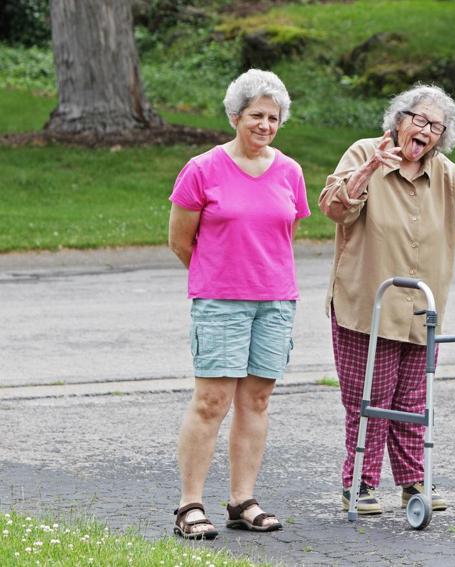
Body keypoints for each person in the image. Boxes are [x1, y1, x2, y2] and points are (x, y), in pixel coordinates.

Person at [319, 84, 455, 515]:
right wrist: (367, 172)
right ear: (399, 120)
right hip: (368, 306)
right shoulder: (366, 151)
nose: (427, 131)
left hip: (422, 309)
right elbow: (333, 206)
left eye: (436, 126)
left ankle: (413, 481)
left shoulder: (444, 172)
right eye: (419, 119)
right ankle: (359, 484)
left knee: (413, 400)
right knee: (371, 399)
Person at [167, 69, 310, 539]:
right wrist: (218, 275)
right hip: (221, 302)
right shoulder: (202, 168)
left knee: (257, 401)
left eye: (273, 117)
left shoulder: (290, 170)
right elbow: (180, 240)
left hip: (275, 301)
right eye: (255, 115)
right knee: (211, 401)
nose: (264, 125)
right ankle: (189, 505)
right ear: (235, 116)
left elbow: (282, 233)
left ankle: (241, 500)